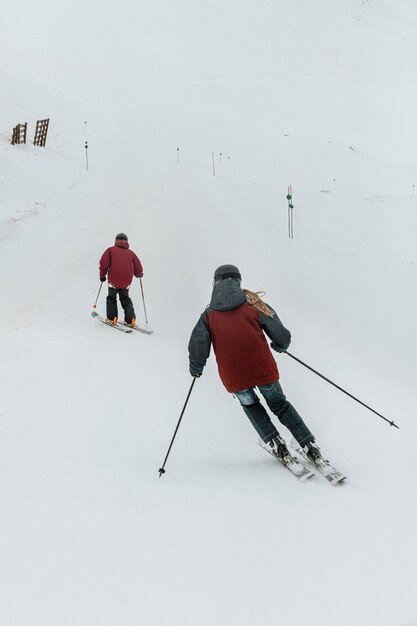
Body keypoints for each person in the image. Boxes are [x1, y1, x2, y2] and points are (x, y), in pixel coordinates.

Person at [188, 264, 324, 465]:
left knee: (251, 405)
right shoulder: (253, 304)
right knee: (280, 405)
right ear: (238, 281)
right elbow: (281, 335)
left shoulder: (208, 315)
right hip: (263, 369)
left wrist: (196, 368)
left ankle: (276, 443)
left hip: (234, 376)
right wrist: (280, 345)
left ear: (215, 283)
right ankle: (308, 445)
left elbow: (198, 345)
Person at [99, 233, 143, 326]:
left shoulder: (110, 250)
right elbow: (138, 267)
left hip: (113, 280)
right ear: (126, 241)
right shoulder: (131, 253)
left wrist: (102, 276)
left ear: (116, 240)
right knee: (125, 298)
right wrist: (139, 274)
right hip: (126, 281)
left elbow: (104, 264)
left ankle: (112, 318)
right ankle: (130, 320)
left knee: (111, 298)